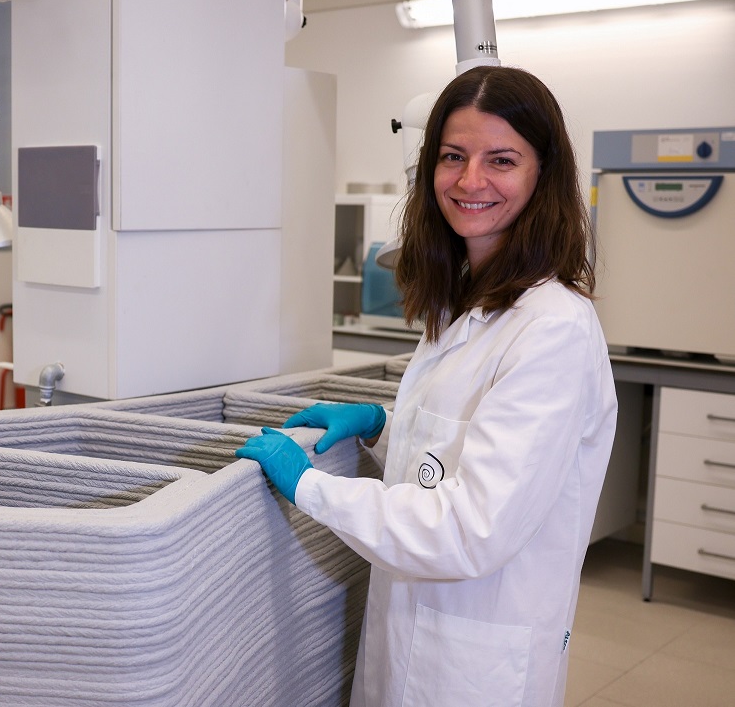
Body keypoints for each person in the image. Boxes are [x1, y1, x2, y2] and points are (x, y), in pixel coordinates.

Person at [236, 65, 618, 707]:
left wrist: (314, 490)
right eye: (452, 156)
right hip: (412, 634)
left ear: (542, 176)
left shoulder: (554, 329)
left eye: (501, 159)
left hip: (477, 660)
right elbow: (459, 454)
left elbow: (471, 529)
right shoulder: (464, 304)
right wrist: (387, 428)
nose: (470, 181)